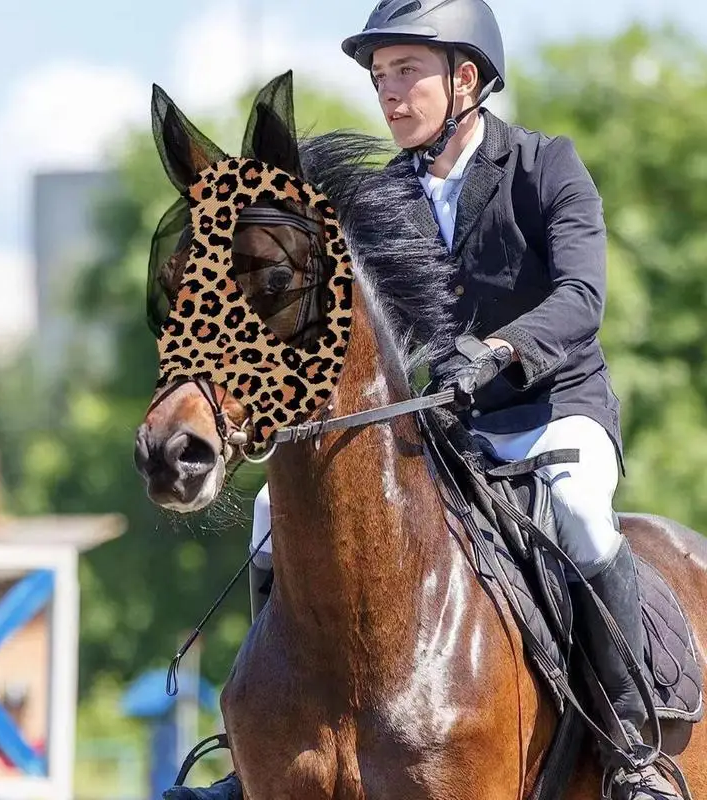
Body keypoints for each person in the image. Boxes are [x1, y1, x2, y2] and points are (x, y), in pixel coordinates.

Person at [167, 2, 686, 798]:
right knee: (277, 517)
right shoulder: (379, 200)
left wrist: (504, 350)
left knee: (581, 511)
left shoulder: (546, 166)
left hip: (549, 414)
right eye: (380, 77)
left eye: (407, 71)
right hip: (436, 431)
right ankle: (268, 745)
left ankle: (631, 752)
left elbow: (582, 296)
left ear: (466, 79)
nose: (390, 93)